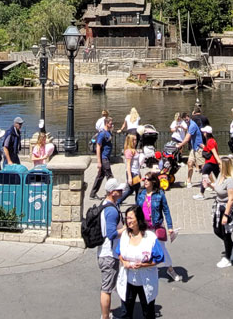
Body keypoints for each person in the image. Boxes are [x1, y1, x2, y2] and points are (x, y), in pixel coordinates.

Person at [116, 205, 165, 319]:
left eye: (131, 218)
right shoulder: (124, 236)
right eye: (127, 218)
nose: (128, 221)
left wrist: (143, 265)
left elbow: (159, 258)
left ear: (138, 219)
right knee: (125, 313)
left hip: (146, 280)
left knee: (148, 313)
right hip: (128, 279)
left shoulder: (150, 238)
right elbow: (119, 252)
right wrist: (124, 262)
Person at [135, 172, 181, 281]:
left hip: (156, 226)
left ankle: (170, 269)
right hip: (144, 227)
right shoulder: (141, 193)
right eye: (144, 179)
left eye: (148, 179)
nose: (145, 181)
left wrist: (170, 226)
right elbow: (137, 209)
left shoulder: (159, 193)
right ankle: (148, 269)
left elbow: (166, 210)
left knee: (161, 249)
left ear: (153, 181)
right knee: (145, 249)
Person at [96, 178, 124, 319]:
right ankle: (105, 316)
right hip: (109, 254)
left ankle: (107, 313)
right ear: (112, 192)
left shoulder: (105, 204)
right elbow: (112, 233)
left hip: (104, 252)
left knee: (108, 287)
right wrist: (126, 229)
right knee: (106, 289)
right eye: (119, 190)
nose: (122, 191)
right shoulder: (111, 211)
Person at [213, 155, 233, 268]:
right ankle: (232, 245)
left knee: (226, 233)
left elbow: (231, 199)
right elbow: (217, 188)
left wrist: (226, 215)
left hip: (226, 208)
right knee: (216, 230)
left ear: (225, 167)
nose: (218, 165)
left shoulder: (230, 181)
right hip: (218, 206)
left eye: (220, 164)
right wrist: (209, 184)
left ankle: (228, 257)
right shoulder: (220, 175)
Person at [90, 116, 115, 199]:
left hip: (107, 157)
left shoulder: (108, 132)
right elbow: (98, 147)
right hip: (104, 158)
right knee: (110, 177)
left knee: (100, 176)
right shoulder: (102, 134)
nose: (112, 125)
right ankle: (113, 193)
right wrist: (99, 162)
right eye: (110, 124)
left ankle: (93, 194)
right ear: (106, 124)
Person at [193, 125, 220, 198]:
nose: (203, 133)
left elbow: (214, 152)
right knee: (219, 178)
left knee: (204, 176)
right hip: (214, 163)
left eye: (204, 132)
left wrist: (219, 161)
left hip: (210, 162)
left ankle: (201, 194)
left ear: (207, 133)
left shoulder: (210, 141)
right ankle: (223, 191)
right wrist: (204, 147)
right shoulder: (212, 140)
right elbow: (210, 150)